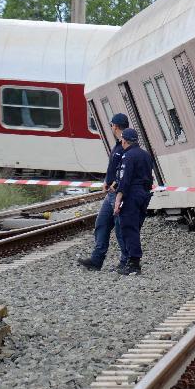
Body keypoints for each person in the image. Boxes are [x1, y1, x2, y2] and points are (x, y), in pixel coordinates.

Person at [78, 113, 130, 271]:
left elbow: (124, 169)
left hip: (118, 193)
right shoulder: (119, 144)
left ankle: (125, 261)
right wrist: (107, 182)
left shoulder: (125, 146)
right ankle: (96, 260)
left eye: (112, 125)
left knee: (120, 228)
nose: (111, 128)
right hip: (111, 194)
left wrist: (114, 183)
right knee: (101, 223)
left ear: (115, 126)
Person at [114, 127, 154, 275]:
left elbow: (125, 180)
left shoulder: (128, 156)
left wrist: (118, 200)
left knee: (129, 228)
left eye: (122, 140)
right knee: (135, 227)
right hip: (144, 194)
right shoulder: (146, 155)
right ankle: (132, 261)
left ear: (124, 140)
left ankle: (134, 263)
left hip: (132, 194)